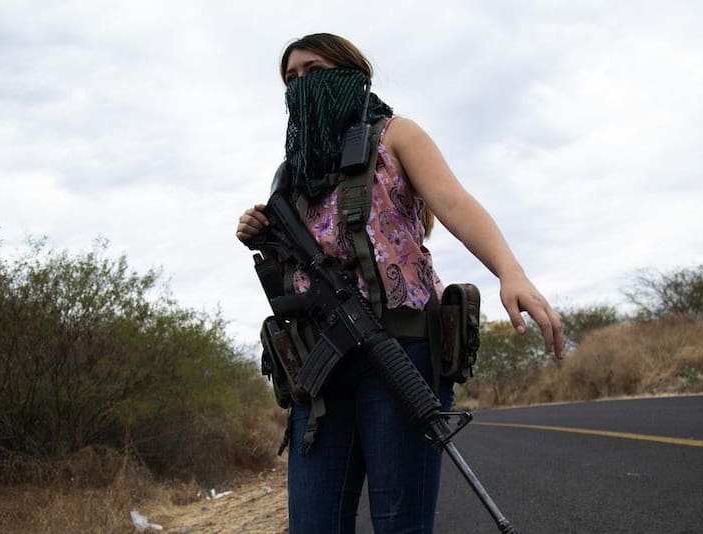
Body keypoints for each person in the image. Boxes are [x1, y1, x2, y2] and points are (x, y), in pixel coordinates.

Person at [236, 33, 563, 533]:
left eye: (314, 69)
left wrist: (509, 270)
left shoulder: (395, 135)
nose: (300, 84)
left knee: (400, 525)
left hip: (400, 348)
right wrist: (260, 232)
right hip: (319, 369)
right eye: (290, 78)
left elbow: (454, 204)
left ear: (350, 72)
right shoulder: (290, 175)